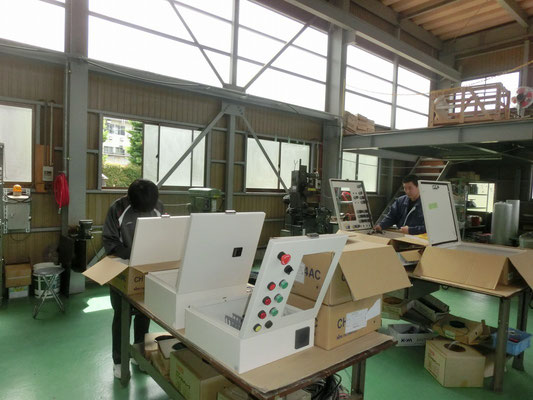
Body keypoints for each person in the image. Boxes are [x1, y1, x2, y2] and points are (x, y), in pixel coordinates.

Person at [102, 179, 164, 379]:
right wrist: (133, 253)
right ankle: (119, 361)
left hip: (147, 269)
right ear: (131, 200)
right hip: (122, 269)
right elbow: (110, 241)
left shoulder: (158, 207)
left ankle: (139, 354)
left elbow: (165, 234)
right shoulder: (118, 209)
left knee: (144, 313)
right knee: (122, 315)